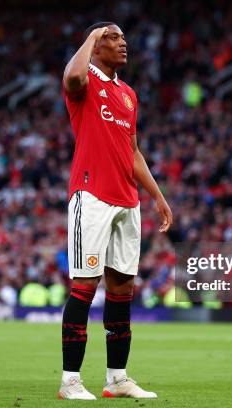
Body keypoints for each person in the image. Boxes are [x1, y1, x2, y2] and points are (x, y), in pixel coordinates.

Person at [58, 21, 173, 400]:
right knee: (85, 286)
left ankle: (117, 378)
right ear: (96, 45)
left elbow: (133, 151)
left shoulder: (128, 94)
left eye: (124, 37)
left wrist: (156, 195)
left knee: (122, 289)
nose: (123, 43)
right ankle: (70, 381)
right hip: (91, 196)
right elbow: (71, 77)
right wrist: (91, 35)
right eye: (113, 37)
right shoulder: (84, 80)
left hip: (128, 202)